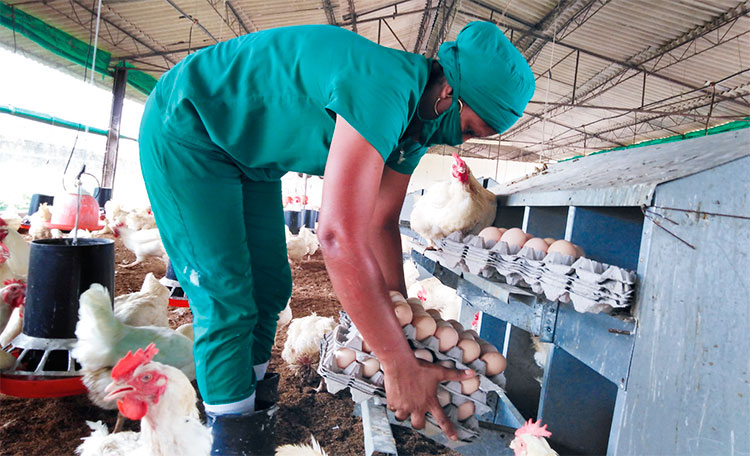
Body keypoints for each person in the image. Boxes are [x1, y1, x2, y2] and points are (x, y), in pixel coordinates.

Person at [138, 21, 534, 455]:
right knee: (227, 297)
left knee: (270, 290)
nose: (463, 141)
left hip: (249, 160)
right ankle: (230, 440)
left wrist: (403, 325)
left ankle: (244, 409)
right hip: (188, 126)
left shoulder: (415, 129)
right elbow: (338, 235)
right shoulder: (385, 87)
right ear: (449, 96)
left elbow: (380, 224)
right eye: (473, 129)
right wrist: (396, 363)